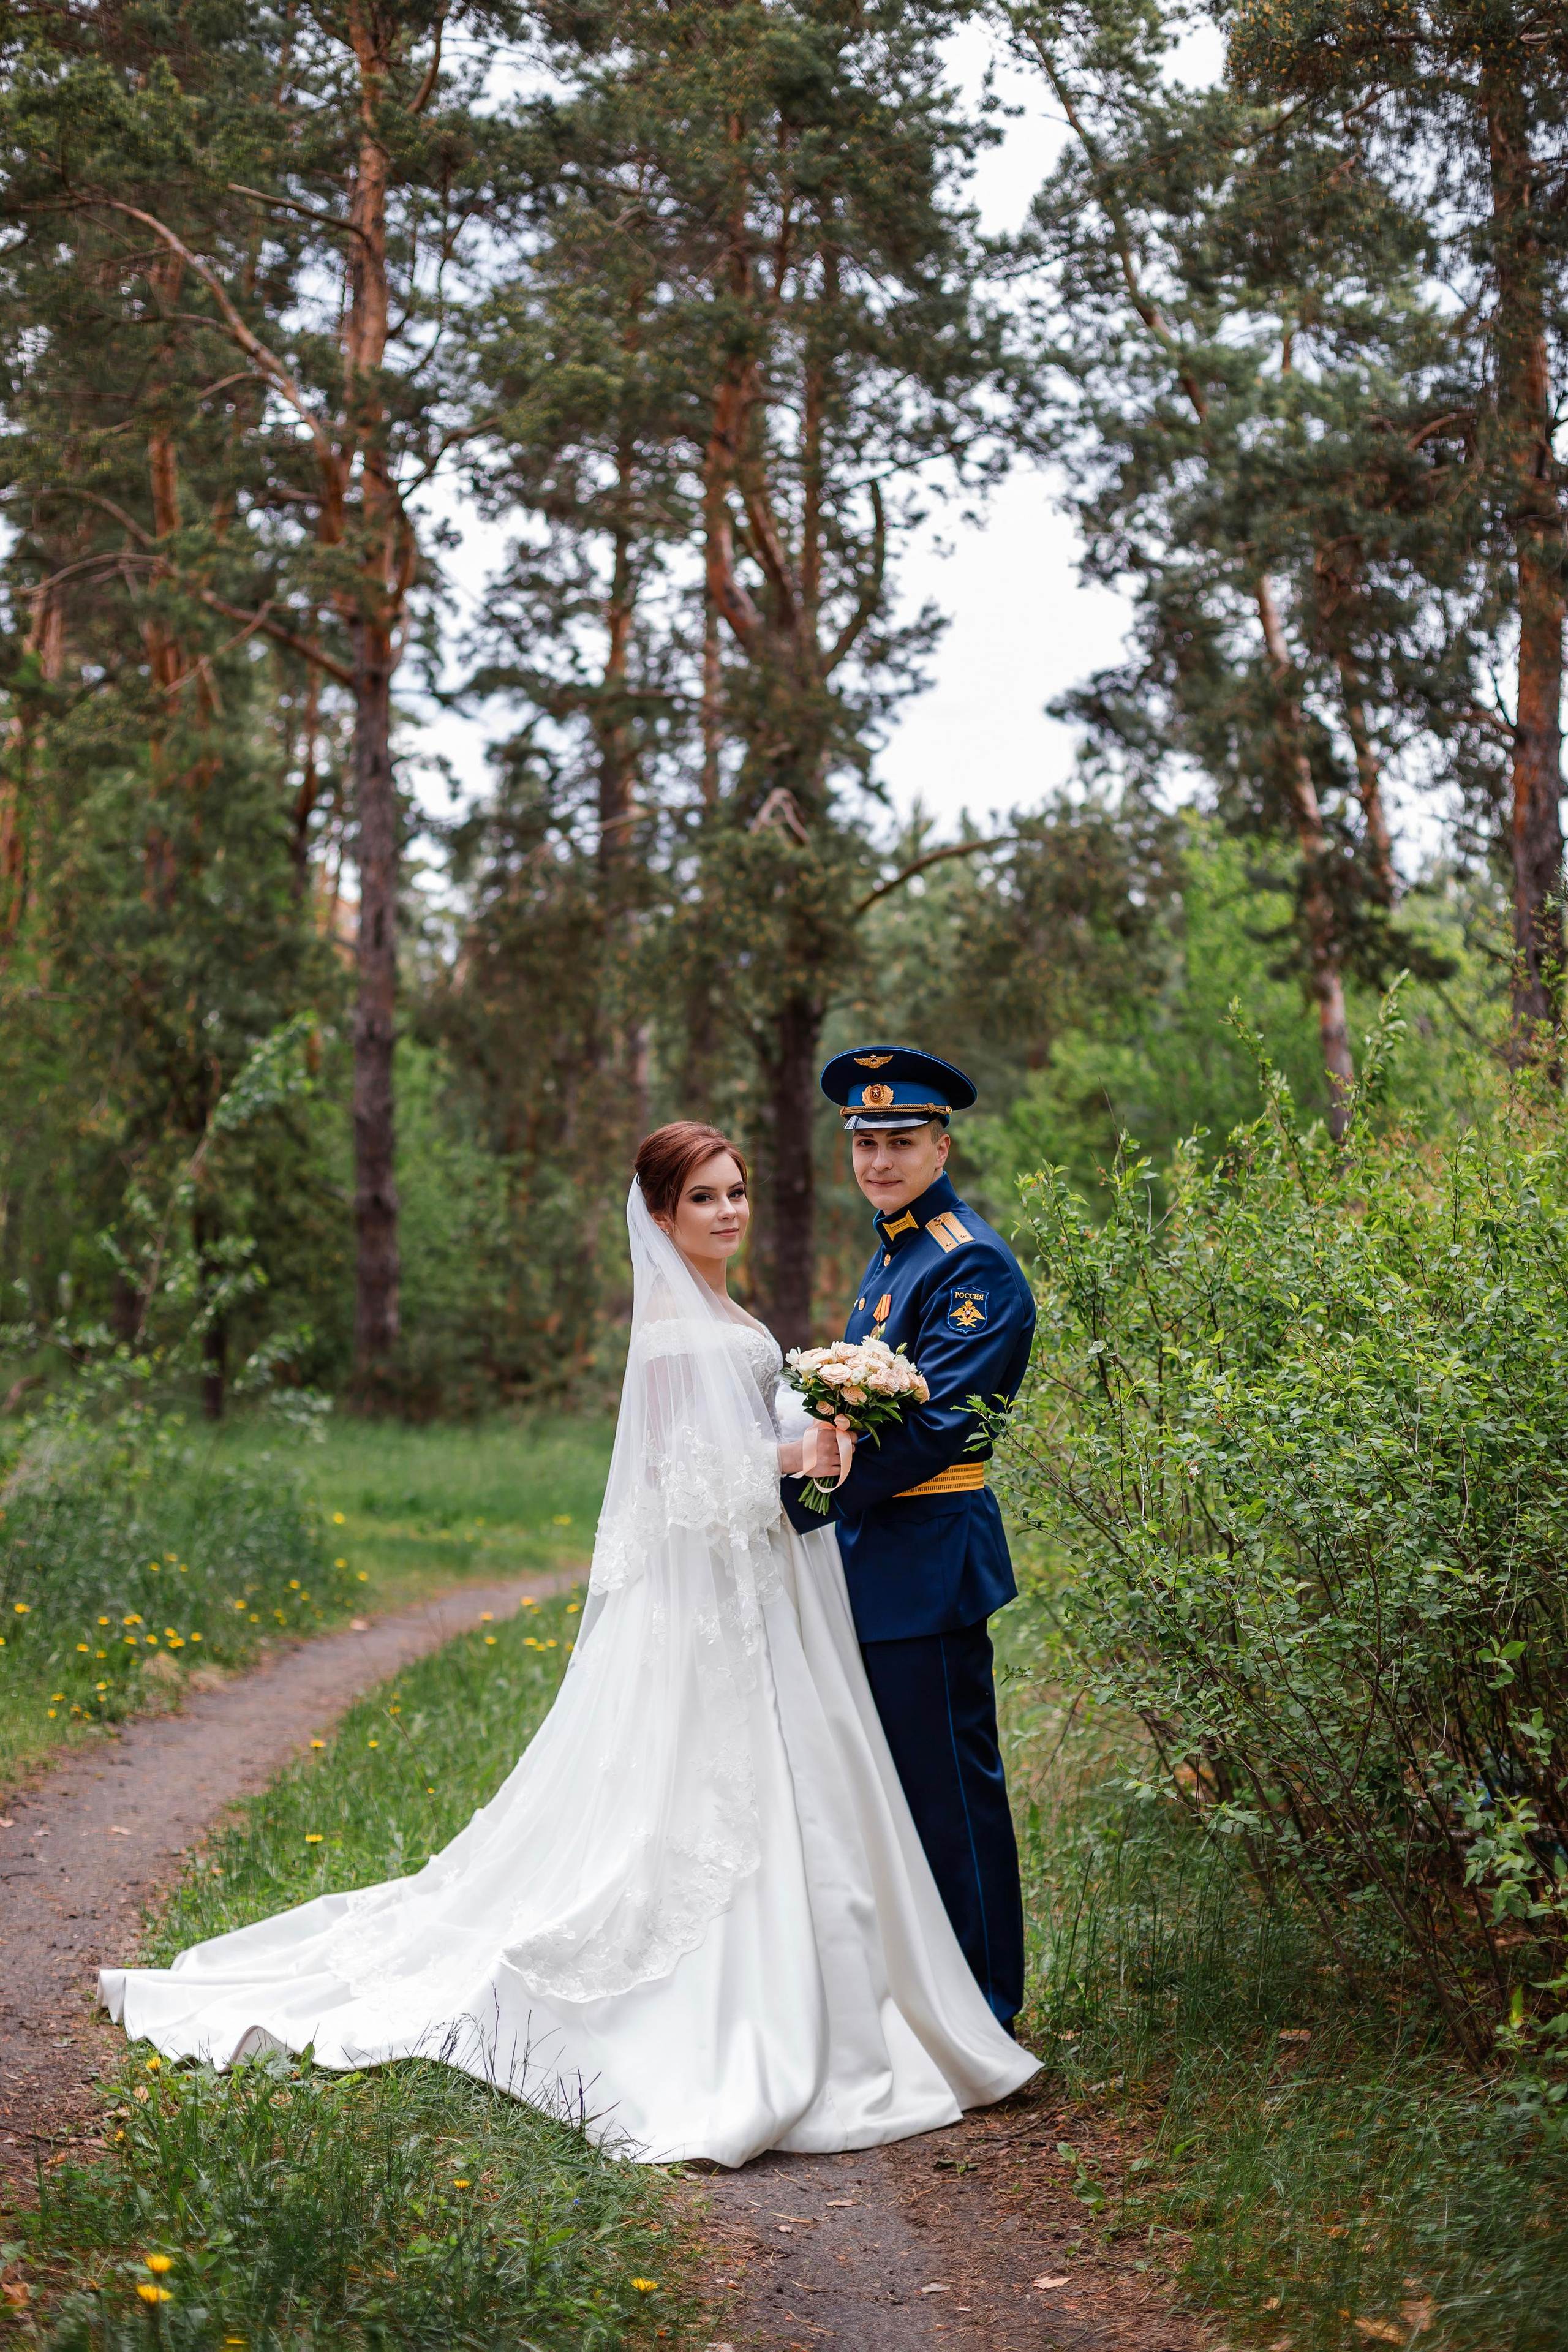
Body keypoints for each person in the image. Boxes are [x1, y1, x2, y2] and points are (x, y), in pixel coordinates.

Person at [100, 1123, 1036, 2168]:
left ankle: (884, 1989)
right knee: (729, 1796)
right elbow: (691, 1485)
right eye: (704, 1200)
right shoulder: (678, 1335)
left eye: (737, 1194)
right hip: (734, 1592)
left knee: (832, 1785)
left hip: (779, 1587)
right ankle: (790, 2010)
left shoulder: (784, 1300)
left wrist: (820, 1444)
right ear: (660, 1216)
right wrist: (805, 1454)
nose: (728, 1212)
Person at [781, 1048, 1035, 2032]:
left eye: (899, 1142)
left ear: (941, 1143)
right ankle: (924, 1997)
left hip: (928, 1560)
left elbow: (935, 1428)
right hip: (880, 1558)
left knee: (949, 1797)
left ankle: (985, 2009)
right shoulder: (898, 1249)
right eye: (865, 1143)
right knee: (891, 1791)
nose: (879, 1160)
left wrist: (806, 1496)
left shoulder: (968, 1261)